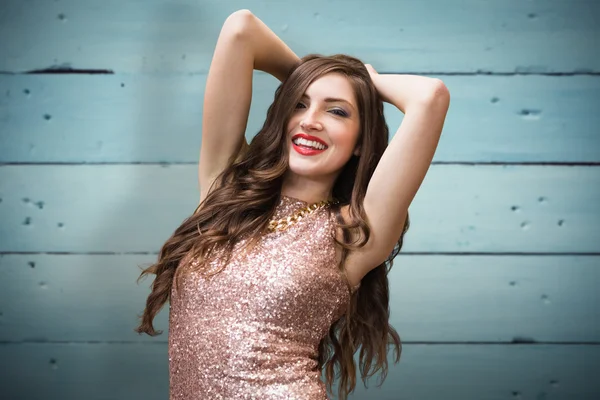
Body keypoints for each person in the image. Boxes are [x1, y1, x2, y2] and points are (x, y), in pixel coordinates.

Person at [135, 9, 450, 400]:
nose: (311, 121)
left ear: (359, 142)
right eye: (299, 105)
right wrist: (312, 75)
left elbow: (430, 97)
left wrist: (370, 82)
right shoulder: (225, 192)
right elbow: (241, 28)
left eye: (337, 111)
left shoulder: (355, 230)